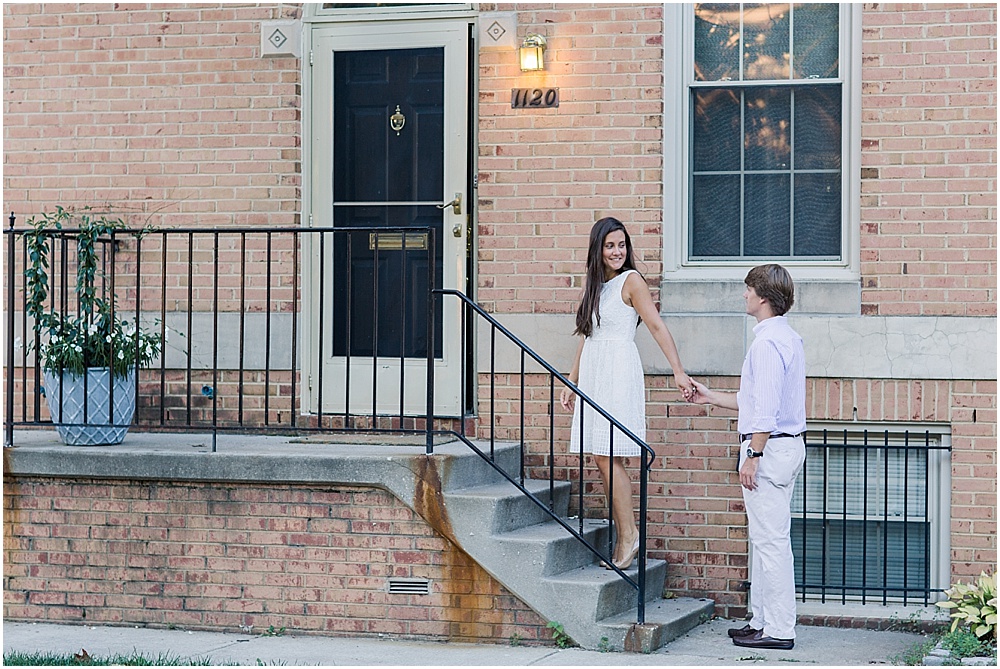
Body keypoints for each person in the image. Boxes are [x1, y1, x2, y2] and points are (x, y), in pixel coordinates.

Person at [559, 217, 693, 571]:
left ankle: (629, 535)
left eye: (621, 245)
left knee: (609, 455)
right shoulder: (597, 287)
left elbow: (655, 324)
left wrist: (678, 371)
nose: (617, 251)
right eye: (610, 246)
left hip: (618, 370)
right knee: (601, 456)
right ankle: (625, 534)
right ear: (598, 251)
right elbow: (588, 335)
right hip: (595, 371)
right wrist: (573, 379)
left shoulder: (632, 281)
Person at [688, 263, 806, 651]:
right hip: (783, 446)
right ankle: (761, 621)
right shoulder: (785, 338)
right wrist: (710, 396)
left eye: (749, 288)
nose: (744, 294)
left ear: (765, 298)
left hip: (770, 450)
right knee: (764, 540)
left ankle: (779, 630)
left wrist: (753, 454)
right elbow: (752, 402)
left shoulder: (768, 344)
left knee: (770, 543)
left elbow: (766, 411)